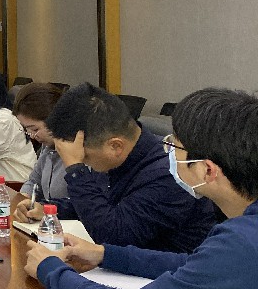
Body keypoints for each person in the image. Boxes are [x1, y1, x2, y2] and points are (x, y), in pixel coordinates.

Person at [25, 87, 258, 289]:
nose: (167, 151)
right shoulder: (242, 238)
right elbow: (195, 265)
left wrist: (51, 270)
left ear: (207, 169)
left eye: (174, 146)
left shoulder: (242, 243)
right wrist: (106, 255)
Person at [44, 82, 216, 253]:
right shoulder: (116, 158)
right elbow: (100, 203)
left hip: (169, 268)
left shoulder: (169, 174)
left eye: (85, 157)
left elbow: (112, 237)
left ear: (115, 146)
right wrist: (48, 209)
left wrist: (76, 170)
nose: (85, 163)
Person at [11, 83, 69, 222]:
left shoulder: (81, 151)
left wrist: (45, 209)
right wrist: (24, 200)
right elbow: (34, 181)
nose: (31, 136)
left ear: (55, 120)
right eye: (27, 130)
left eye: (35, 129)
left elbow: (81, 205)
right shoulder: (47, 146)